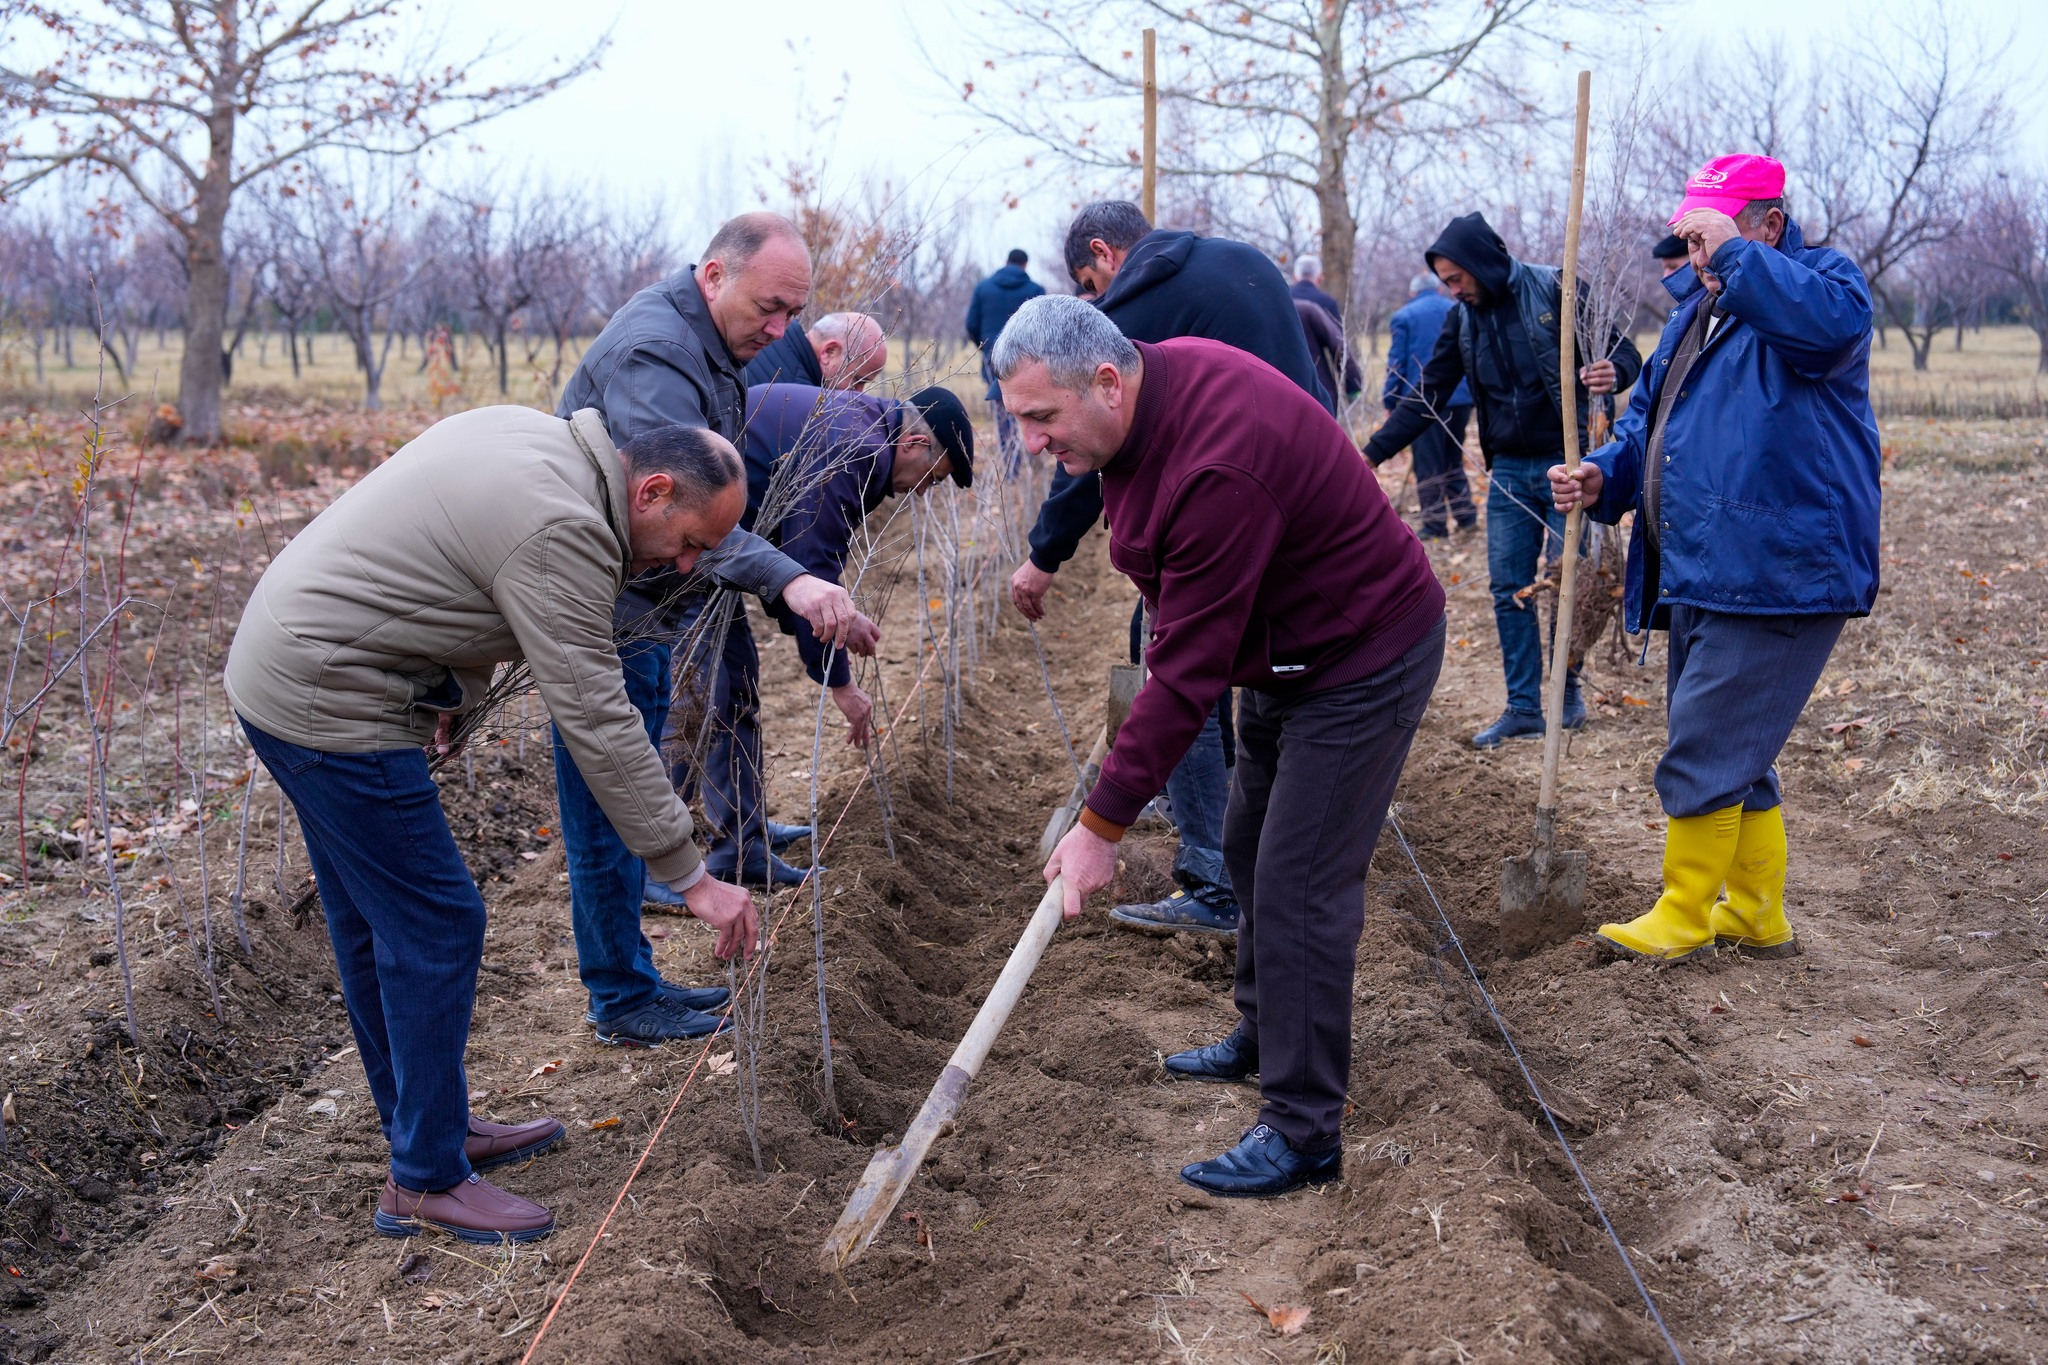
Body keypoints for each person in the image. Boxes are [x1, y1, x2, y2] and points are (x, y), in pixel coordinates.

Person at [223, 409, 764, 1244]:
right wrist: (690, 876)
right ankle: (426, 1176)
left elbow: (451, 574)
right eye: (691, 541)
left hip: (293, 662)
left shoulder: (542, 443)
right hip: (331, 695)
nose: (687, 563)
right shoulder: (565, 526)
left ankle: (428, 1126)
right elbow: (595, 713)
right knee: (438, 922)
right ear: (652, 490)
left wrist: (451, 692)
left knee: (375, 920)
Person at [996, 296, 1446, 1197]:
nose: (1034, 443)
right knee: (1246, 845)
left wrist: (1101, 826)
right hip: (1284, 648)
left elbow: (1185, 676)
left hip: (1360, 655)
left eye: (1042, 418)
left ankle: (1303, 1129)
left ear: (1108, 382)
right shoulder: (1144, 405)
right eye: (1020, 421)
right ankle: (1267, 1034)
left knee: (1300, 884)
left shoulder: (1217, 464)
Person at [556, 212, 880, 1046]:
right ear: (713, 276)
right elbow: (683, 507)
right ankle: (621, 996)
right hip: (607, 614)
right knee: (606, 807)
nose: (781, 330)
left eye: (793, 314)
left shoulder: (709, 345)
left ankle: (630, 981)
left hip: (645, 605)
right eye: (770, 308)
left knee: (624, 796)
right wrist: (792, 579)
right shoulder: (657, 355)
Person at [1550, 154, 1880, 963]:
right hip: (1705, 561)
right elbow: (1651, 426)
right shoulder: (1696, 315)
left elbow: (1826, 329)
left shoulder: (1825, 283)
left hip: (1781, 566)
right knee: (1737, 748)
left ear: (1769, 225)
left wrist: (1733, 257)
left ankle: (1686, 912)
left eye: (1710, 235)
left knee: (1705, 743)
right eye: (1692, 237)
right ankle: (1756, 914)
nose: (1695, 253)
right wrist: (1605, 475)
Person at [1009, 201, 1332, 941]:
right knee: (1215, 669)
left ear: (1103, 253)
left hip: (1227, 509)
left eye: (1090, 284)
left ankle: (1213, 871)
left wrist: (1045, 555)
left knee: (1175, 664)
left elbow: (1086, 452)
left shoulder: (1132, 312)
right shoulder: (1244, 261)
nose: (1094, 302)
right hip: (1299, 495)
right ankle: (1222, 814)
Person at [672, 382, 975, 884]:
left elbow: (798, 560)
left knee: (734, 686)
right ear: (916, 444)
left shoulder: (863, 428)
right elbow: (810, 565)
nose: (923, 491)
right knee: (699, 700)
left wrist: (842, 619)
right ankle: (656, 862)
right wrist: (841, 683)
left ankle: (741, 846)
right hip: (682, 546)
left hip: (716, 549)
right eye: (933, 477)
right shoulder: (857, 449)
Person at [1363, 212, 1643, 749]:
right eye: (1445, 281)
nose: (1452, 289)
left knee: (1569, 583)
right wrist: (1370, 455)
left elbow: (1622, 350)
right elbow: (1428, 394)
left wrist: (1616, 371)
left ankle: (1566, 693)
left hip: (1569, 464)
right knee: (1508, 586)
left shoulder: (1556, 288)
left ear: (1481, 262)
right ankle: (1522, 707)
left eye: (1456, 277)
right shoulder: (1462, 319)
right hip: (1510, 471)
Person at [1380, 274, 1477, 539]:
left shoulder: (1404, 316)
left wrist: (1390, 400)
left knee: (1428, 463)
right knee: (1452, 458)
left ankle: (1435, 525)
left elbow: (1396, 363)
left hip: (1421, 402)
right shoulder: (1458, 309)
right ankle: (1466, 517)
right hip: (1461, 398)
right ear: (1438, 289)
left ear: (1413, 293)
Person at [966, 249, 1046, 461]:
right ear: (1025, 265)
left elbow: (971, 324)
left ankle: (1011, 465)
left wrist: (985, 347)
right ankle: (1033, 458)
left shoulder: (983, 288)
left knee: (1002, 411)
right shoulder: (1035, 290)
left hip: (993, 356)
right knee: (1032, 407)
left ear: (1006, 261)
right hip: (1028, 358)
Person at [742, 311, 888, 391]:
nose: (859, 393)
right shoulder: (799, 401)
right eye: (857, 380)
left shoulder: (775, 338)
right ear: (829, 352)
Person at [1295, 294, 1363, 413]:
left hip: (1280, 399)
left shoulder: (1265, 313)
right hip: (1318, 392)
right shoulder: (1307, 309)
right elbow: (1338, 346)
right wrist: (1353, 385)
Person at [1290, 253, 1344, 324]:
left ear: (1294, 278)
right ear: (1320, 279)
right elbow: (1336, 330)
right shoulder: (1328, 303)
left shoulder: (1284, 300)